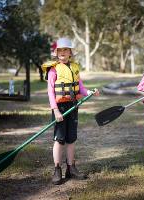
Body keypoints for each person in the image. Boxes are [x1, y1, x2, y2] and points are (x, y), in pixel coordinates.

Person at [42, 37, 99, 185]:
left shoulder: (74, 67)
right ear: (56, 52)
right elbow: (50, 92)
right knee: (59, 139)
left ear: (70, 52)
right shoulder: (53, 69)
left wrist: (90, 92)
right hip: (59, 108)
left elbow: (80, 87)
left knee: (71, 138)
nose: (62, 52)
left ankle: (71, 168)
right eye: (60, 50)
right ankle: (57, 169)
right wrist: (55, 111)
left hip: (73, 106)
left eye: (65, 50)